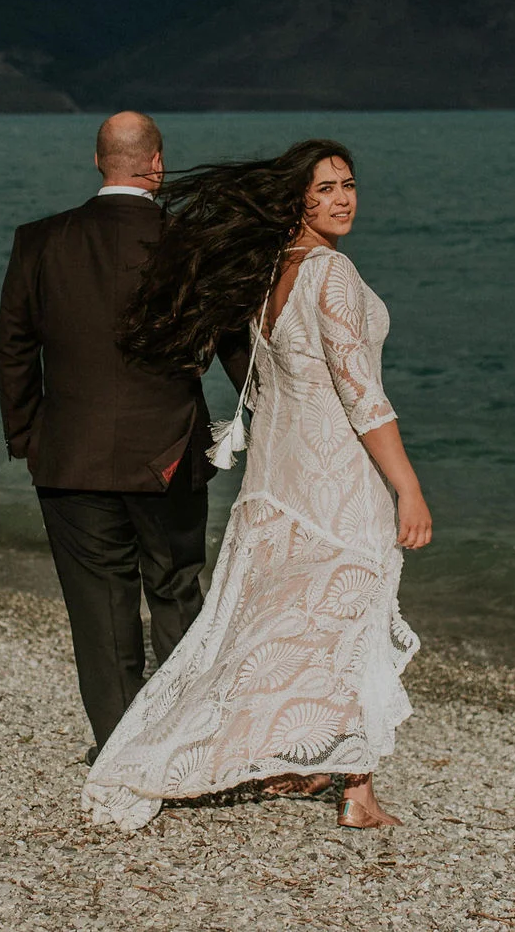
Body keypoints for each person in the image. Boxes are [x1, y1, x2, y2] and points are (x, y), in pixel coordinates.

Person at [81, 139, 432, 831]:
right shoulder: (329, 273)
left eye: (349, 184)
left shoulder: (274, 272)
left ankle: (276, 759)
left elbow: (264, 384)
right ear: (296, 200)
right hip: (334, 483)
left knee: (274, 625)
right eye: (326, 187)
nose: (343, 198)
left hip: (278, 483)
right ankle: (356, 792)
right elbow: (362, 396)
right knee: (349, 622)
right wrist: (409, 487)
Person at [0, 111, 248, 757]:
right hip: (167, 455)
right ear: (156, 163)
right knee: (175, 596)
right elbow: (235, 345)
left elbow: (15, 347)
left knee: (101, 611)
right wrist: (264, 417)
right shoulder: (191, 243)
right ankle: (184, 741)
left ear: (99, 161)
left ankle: (122, 751)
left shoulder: (39, 241)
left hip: (68, 457)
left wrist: (29, 435)